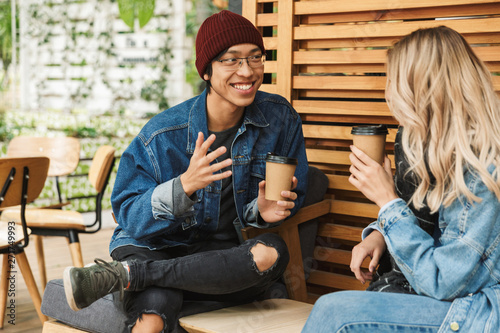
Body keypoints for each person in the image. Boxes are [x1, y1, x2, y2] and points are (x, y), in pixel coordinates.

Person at [62, 10, 308, 333]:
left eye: (255, 58)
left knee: (272, 253)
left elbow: (293, 192)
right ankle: (151, 279)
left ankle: (127, 276)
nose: (246, 71)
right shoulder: (162, 135)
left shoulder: (280, 120)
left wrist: (260, 213)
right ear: (206, 71)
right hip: (152, 247)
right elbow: (128, 214)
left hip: (216, 256)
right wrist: (183, 187)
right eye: (231, 60)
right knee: (156, 310)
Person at [302, 26, 500, 333]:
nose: (388, 93)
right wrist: (380, 233)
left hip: (480, 308)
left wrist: (387, 201)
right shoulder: (433, 146)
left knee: (335, 313)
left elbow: (441, 281)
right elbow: (425, 219)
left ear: (423, 89)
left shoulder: (483, 168)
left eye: (393, 82)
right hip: (453, 293)